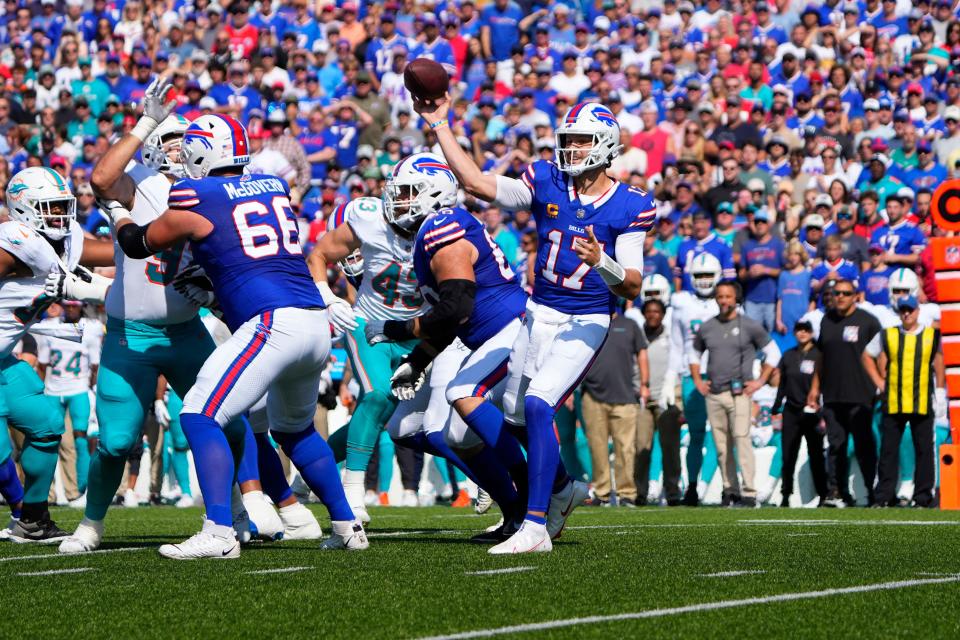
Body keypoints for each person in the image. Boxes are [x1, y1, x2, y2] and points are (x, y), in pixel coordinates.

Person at [108, 113, 366, 558]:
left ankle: (219, 532)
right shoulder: (272, 185)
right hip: (313, 321)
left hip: (273, 322)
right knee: (295, 429)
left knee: (199, 413)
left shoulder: (195, 192)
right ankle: (347, 526)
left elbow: (138, 245)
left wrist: (118, 215)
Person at [415, 96, 651, 553]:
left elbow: (633, 286)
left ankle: (535, 526)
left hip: (586, 317)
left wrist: (604, 262)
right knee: (516, 414)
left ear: (604, 145)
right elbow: (478, 183)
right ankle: (563, 487)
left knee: (541, 404)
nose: (571, 149)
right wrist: (440, 123)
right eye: (569, 141)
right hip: (537, 312)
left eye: (581, 141)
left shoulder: (630, 204)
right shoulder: (547, 179)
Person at [367, 154, 533, 543]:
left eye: (408, 193)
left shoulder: (442, 223)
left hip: (497, 329)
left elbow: (456, 308)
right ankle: (513, 500)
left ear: (434, 193)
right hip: (476, 335)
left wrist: (395, 329)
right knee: (427, 431)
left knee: (458, 422)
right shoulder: (432, 229)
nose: (400, 202)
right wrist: (417, 358)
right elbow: (453, 315)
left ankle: (534, 495)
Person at [307, 167, 427, 523]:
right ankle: (352, 492)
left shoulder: (440, 232)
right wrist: (328, 296)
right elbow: (320, 255)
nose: (354, 258)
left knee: (381, 417)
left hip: (416, 331)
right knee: (377, 398)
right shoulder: (368, 221)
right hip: (369, 325)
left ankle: (308, 475)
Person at [0, 167, 106, 542]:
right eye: (50, 207)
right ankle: (19, 511)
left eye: (63, 206)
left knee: (45, 422)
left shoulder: (62, 241)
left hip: (3, 361)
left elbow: (114, 250)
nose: (60, 216)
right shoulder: (17, 240)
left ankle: (31, 519)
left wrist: (148, 239)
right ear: (24, 209)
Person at [690, 281, 779, 507]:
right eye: (720, 296)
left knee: (741, 440)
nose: (723, 300)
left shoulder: (750, 325)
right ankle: (730, 490)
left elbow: (773, 352)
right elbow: (693, 354)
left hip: (739, 394)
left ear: (736, 299)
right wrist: (698, 381)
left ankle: (749, 491)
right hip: (715, 394)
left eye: (728, 296)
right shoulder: (707, 326)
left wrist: (759, 381)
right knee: (721, 446)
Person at [862, 295, 946, 507]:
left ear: (918, 311)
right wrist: (879, 382)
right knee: (888, 450)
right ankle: (883, 497)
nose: (906, 313)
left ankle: (923, 497)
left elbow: (939, 362)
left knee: (924, 450)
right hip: (894, 400)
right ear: (899, 312)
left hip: (922, 400)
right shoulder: (888, 334)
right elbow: (866, 355)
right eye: (903, 310)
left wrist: (940, 390)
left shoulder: (930, 335)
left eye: (910, 310)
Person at [808, 278, 882, 507]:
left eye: (845, 293)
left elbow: (880, 356)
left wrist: (881, 384)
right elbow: (820, 357)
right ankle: (836, 492)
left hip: (862, 395)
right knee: (835, 446)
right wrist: (814, 387)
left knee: (864, 446)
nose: (840, 297)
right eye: (836, 293)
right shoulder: (826, 321)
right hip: (832, 395)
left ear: (856, 296)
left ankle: (872, 493)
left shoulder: (868, 322)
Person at [35, 301, 102, 506]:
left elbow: (95, 364)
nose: (71, 308)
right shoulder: (51, 327)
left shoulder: (90, 328)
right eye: (68, 305)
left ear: (81, 306)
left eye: (75, 305)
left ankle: (81, 489)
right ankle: (49, 493)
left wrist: (91, 389)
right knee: (49, 440)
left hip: (79, 389)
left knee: (81, 438)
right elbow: (43, 365)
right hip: (53, 391)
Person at [580, 308, 649, 507]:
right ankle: (602, 493)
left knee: (626, 448)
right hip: (592, 395)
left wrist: (645, 384)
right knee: (597, 446)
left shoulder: (629, 324)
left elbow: (642, 352)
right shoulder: (589, 321)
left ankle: (626, 493)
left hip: (625, 396)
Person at [669, 253, 721, 505]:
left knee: (720, 434)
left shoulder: (725, 302)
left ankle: (707, 484)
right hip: (693, 375)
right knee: (696, 433)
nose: (703, 281)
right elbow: (677, 345)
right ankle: (691, 485)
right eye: (699, 276)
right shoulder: (681, 303)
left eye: (707, 275)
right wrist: (672, 377)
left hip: (722, 374)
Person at [772, 319, 828, 507]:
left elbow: (823, 383)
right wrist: (777, 406)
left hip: (812, 412)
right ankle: (786, 494)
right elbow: (782, 384)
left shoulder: (818, 355)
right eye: (799, 330)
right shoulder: (788, 355)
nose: (802, 333)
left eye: (806, 330)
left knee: (816, 455)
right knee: (788, 455)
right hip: (792, 411)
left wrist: (821, 407)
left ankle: (823, 494)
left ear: (812, 333)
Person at [634, 297, 683, 506]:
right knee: (642, 447)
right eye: (649, 311)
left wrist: (673, 390)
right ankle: (640, 492)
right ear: (644, 313)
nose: (653, 315)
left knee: (670, 448)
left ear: (663, 314)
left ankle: (672, 491)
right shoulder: (637, 336)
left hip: (667, 398)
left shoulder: (672, 337)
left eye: (657, 311)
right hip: (643, 399)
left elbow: (680, 362)